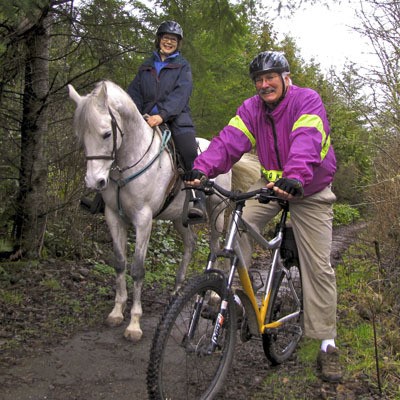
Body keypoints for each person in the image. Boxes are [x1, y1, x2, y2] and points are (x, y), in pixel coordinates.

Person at [184, 51, 342, 382]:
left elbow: (307, 141)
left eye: (271, 77)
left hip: (308, 189)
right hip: (270, 185)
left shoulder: (306, 101)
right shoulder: (252, 108)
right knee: (233, 225)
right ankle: (243, 302)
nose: (264, 84)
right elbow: (229, 142)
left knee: (317, 266)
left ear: (286, 78)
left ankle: (327, 343)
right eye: (259, 79)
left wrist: (296, 176)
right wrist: (202, 167)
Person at [127, 20, 205, 223]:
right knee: (118, 143)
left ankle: (197, 200)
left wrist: (162, 115)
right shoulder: (146, 65)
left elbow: (181, 94)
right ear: (159, 40)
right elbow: (134, 92)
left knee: (189, 150)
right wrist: (135, 113)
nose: (168, 42)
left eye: (173, 40)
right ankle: (103, 197)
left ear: (177, 44)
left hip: (175, 118)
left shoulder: (182, 66)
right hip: (144, 118)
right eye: (165, 38)